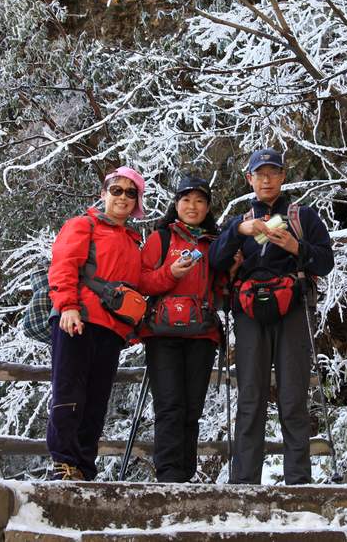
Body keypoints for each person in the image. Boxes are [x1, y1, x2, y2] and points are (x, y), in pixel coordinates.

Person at [208, 148, 333, 485]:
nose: (266, 179)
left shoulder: (302, 217)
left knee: (293, 395)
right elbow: (216, 262)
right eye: (259, 174)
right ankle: (244, 482)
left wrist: (296, 248)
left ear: (283, 176)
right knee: (250, 395)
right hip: (249, 312)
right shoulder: (240, 220)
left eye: (272, 173)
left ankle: (298, 482)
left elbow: (325, 262)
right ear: (248, 179)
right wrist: (239, 230)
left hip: (292, 307)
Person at [46, 166, 147, 481]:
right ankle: (64, 463)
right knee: (69, 392)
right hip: (78, 319)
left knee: (96, 401)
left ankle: (84, 468)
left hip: (111, 330)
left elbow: (142, 282)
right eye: (116, 190)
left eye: (131, 193)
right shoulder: (83, 225)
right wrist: (68, 306)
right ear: (103, 194)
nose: (122, 198)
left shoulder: (133, 243)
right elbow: (64, 265)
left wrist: (174, 273)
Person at [137, 175, 223, 482]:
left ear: (208, 207)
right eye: (186, 200)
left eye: (199, 200)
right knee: (169, 404)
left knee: (192, 408)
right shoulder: (160, 239)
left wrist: (233, 268)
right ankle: (169, 475)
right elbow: (142, 281)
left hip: (202, 333)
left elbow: (222, 289)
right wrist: (170, 274)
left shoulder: (215, 243)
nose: (192, 206)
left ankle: (185, 474)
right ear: (176, 204)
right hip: (163, 334)